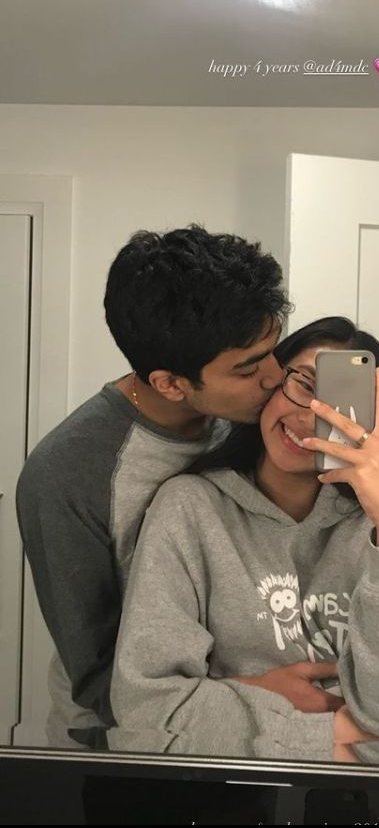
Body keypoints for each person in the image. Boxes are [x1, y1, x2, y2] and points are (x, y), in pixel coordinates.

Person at [110, 317, 379, 762]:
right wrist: (330, 733)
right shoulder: (190, 509)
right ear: (272, 383)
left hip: (365, 801)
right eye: (303, 384)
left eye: (339, 404)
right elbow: (148, 706)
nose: (310, 417)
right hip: (231, 795)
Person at [16, 224, 290, 747]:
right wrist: (252, 696)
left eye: (273, 351)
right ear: (169, 383)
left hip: (267, 723)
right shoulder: (67, 474)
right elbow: (95, 670)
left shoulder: (258, 417)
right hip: (124, 740)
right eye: (249, 368)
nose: (275, 377)